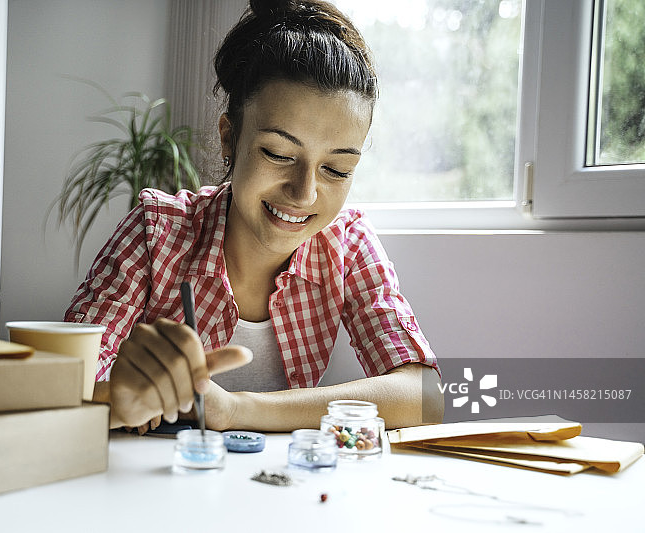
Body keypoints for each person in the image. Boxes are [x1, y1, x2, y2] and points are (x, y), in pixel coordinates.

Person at [65, 0, 443, 434]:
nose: (305, 193)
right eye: (278, 154)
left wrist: (237, 410)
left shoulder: (348, 244)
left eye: (337, 169)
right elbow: (59, 384)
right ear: (230, 138)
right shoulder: (157, 231)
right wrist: (115, 396)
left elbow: (425, 396)